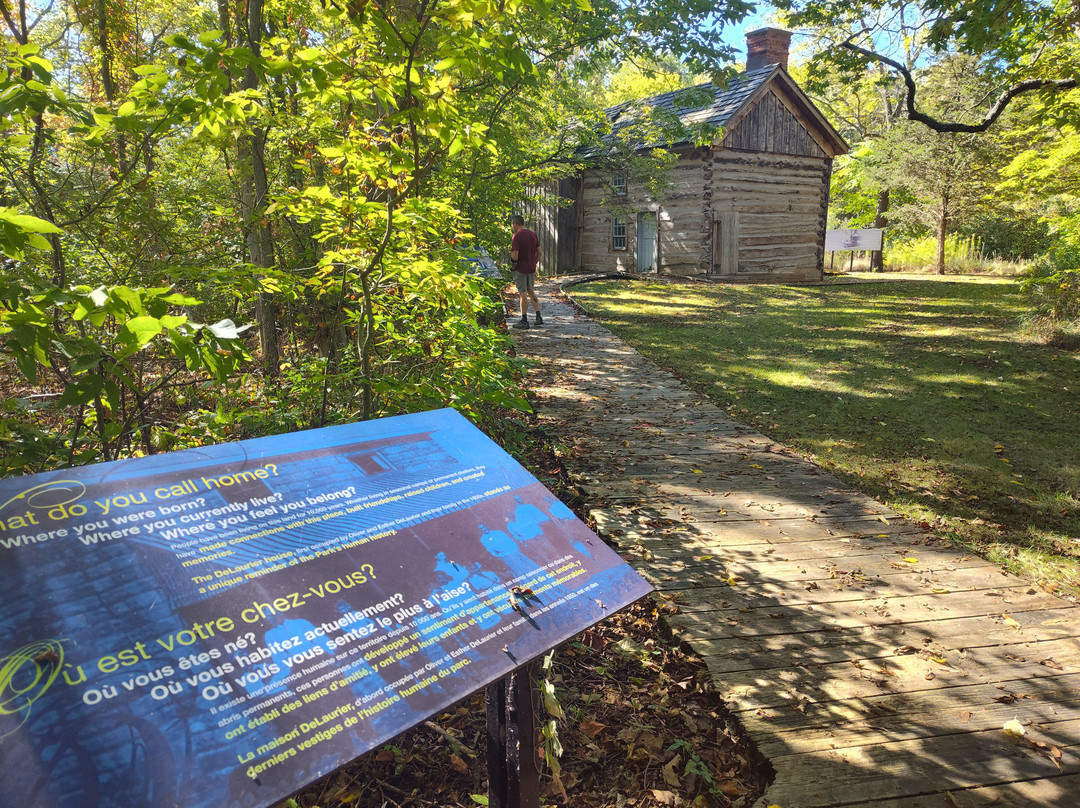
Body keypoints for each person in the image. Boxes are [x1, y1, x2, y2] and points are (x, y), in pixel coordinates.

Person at [509, 214, 542, 329]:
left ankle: (524, 320)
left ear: (515, 224)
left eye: (513, 224)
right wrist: (534, 263)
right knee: (531, 291)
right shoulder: (533, 235)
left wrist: (513, 267)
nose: (512, 226)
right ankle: (538, 317)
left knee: (523, 293)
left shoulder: (516, 236)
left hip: (521, 269)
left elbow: (515, 255)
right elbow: (540, 253)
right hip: (531, 268)